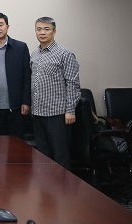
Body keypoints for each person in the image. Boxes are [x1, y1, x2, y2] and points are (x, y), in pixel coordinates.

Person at [30, 16, 80, 169]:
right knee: (43, 156)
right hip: (38, 112)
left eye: (46, 29)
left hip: (57, 114)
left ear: (54, 31)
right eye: (39, 29)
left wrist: (70, 110)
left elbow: (73, 84)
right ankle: (46, 184)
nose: (42, 32)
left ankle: (63, 185)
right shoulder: (34, 54)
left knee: (60, 156)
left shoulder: (65, 54)